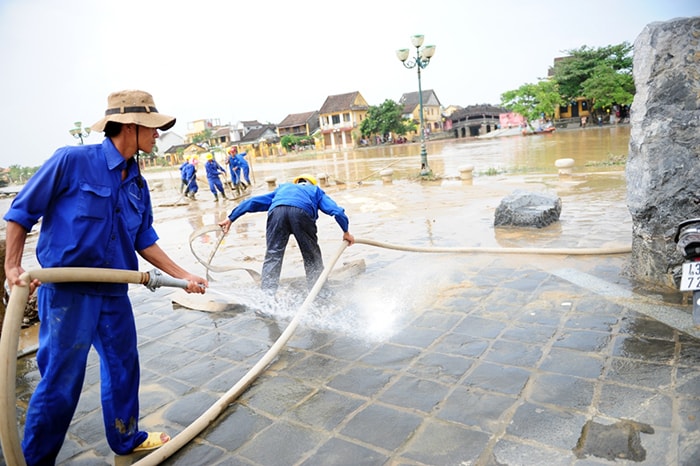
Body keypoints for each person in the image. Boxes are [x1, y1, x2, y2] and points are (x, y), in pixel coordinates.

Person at [3, 89, 209, 465]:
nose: (157, 135)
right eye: (153, 128)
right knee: (62, 382)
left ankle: (126, 439)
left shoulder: (137, 181)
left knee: (124, 365)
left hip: (115, 291)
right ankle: (34, 460)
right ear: (130, 127)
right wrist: (13, 267)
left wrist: (185, 276)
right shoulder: (72, 161)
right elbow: (21, 212)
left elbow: (144, 238)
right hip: (68, 293)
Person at [218, 173, 354, 294]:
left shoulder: (283, 189)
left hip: (277, 213)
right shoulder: (315, 190)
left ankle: (267, 296)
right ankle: (320, 294)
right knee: (312, 256)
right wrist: (346, 231)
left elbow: (251, 202)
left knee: (273, 255)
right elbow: (337, 212)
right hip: (302, 214)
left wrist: (231, 218)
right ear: (311, 183)